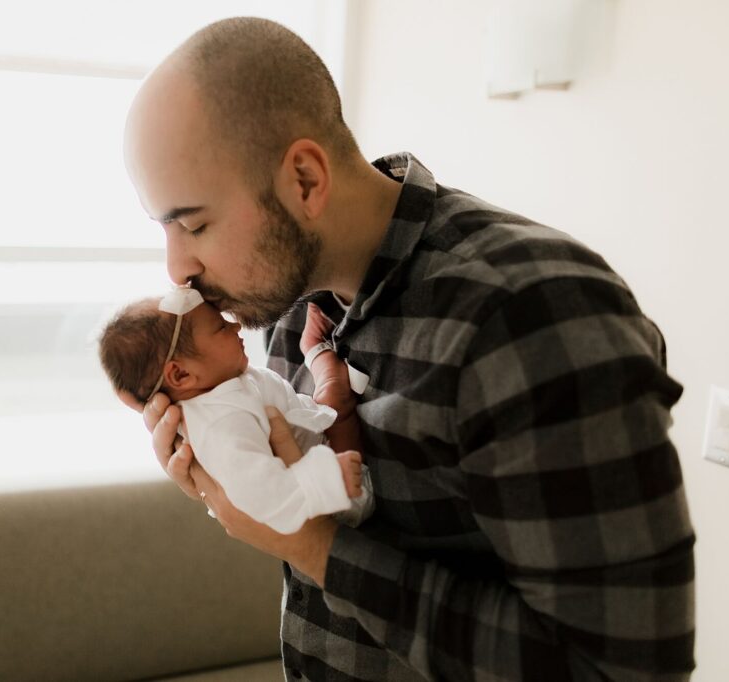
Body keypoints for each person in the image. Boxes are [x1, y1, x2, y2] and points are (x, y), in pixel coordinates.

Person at [121, 16, 695, 682]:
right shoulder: (284, 316)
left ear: (304, 180)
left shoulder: (528, 315)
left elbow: (619, 670)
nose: (175, 269)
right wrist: (231, 463)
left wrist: (311, 546)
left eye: (192, 224)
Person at [98, 287, 375, 534]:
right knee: (339, 404)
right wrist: (325, 479)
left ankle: (318, 357)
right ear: (181, 375)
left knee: (332, 401)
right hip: (332, 501)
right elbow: (261, 493)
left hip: (316, 438)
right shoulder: (218, 425)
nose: (236, 327)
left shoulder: (221, 386)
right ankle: (319, 357)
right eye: (220, 327)